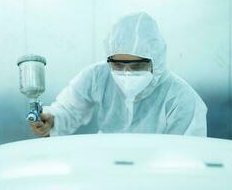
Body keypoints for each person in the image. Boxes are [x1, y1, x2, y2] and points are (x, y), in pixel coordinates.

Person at [30, 12, 207, 137]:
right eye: (118, 64)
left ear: (156, 61)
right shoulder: (98, 76)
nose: (126, 73)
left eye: (137, 65)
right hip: (108, 164)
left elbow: (186, 154)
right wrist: (52, 121)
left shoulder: (181, 98)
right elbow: (69, 109)